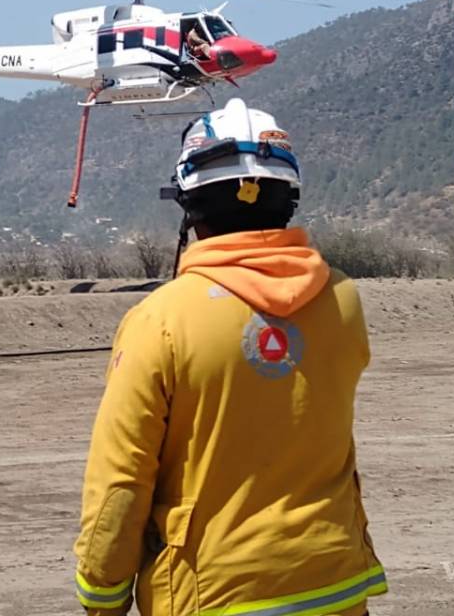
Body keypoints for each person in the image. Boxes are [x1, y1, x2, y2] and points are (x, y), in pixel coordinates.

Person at [73, 98, 387, 616]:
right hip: (333, 585)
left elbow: (120, 480)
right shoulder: (344, 299)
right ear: (290, 200)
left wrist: (101, 596)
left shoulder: (160, 320)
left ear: (189, 207)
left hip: (210, 594)